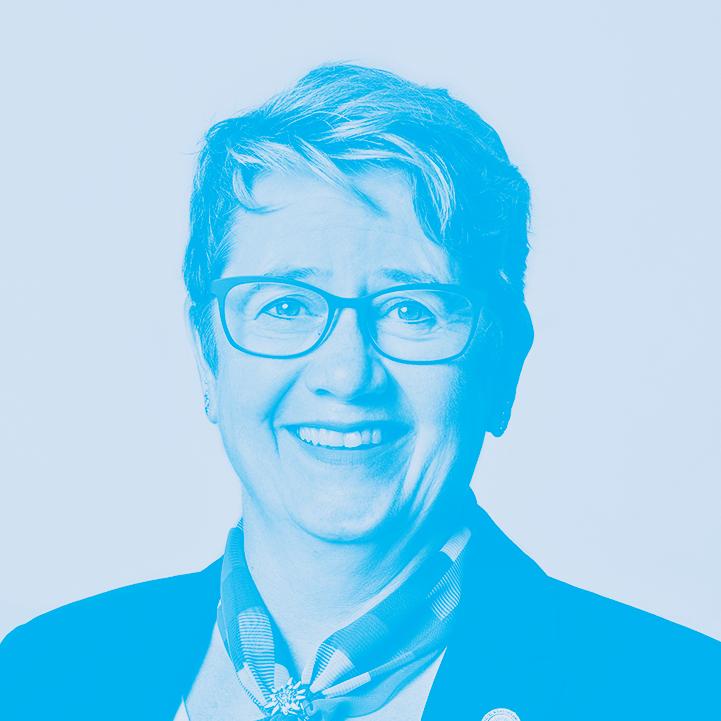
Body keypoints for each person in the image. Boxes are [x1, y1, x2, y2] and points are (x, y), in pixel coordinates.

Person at [1, 63, 719, 721]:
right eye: (286, 305)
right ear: (207, 357)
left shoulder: (682, 696)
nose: (347, 376)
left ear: (503, 366)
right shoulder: (36, 678)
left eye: (412, 309)